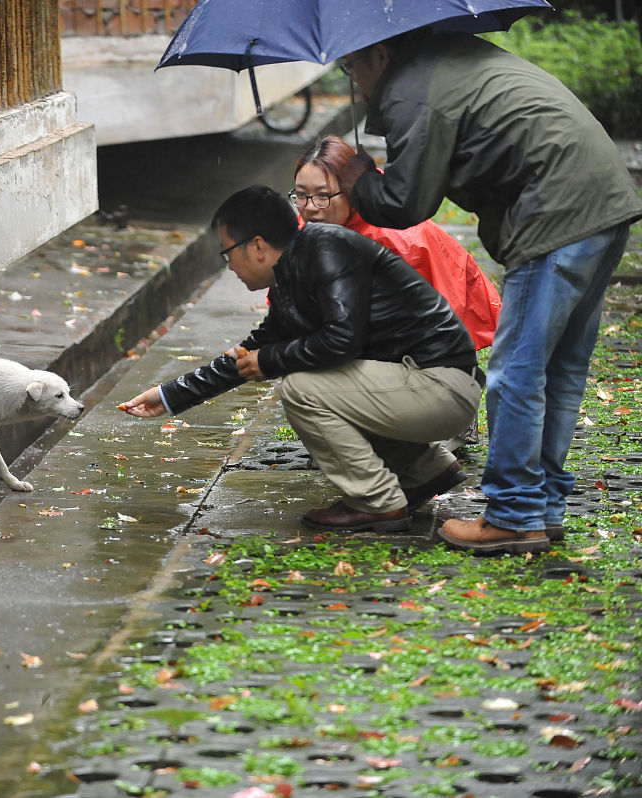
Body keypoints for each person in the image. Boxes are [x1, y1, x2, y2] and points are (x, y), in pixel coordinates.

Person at [336, 30, 642, 554]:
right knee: (559, 369)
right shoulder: (448, 56)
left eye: (352, 68)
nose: (355, 82)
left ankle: (514, 515)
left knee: (517, 371)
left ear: (381, 54)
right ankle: (540, 508)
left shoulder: (412, 88)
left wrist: (359, 178)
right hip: (604, 201)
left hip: (556, 212)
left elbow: (407, 202)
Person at [119, 186, 484, 536]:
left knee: (302, 387)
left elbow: (342, 338)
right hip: (424, 384)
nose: (229, 266)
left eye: (227, 253)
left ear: (257, 246)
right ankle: (426, 470)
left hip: (441, 386)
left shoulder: (326, 250)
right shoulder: (295, 269)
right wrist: (170, 395)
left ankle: (377, 501)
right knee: (317, 377)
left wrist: (270, 360)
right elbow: (253, 352)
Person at [292, 134, 500, 351]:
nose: (310, 208)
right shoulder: (313, 222)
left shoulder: (395, 242)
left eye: (323, 196)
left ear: (351, 191)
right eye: (301, 195)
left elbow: (408, 332)